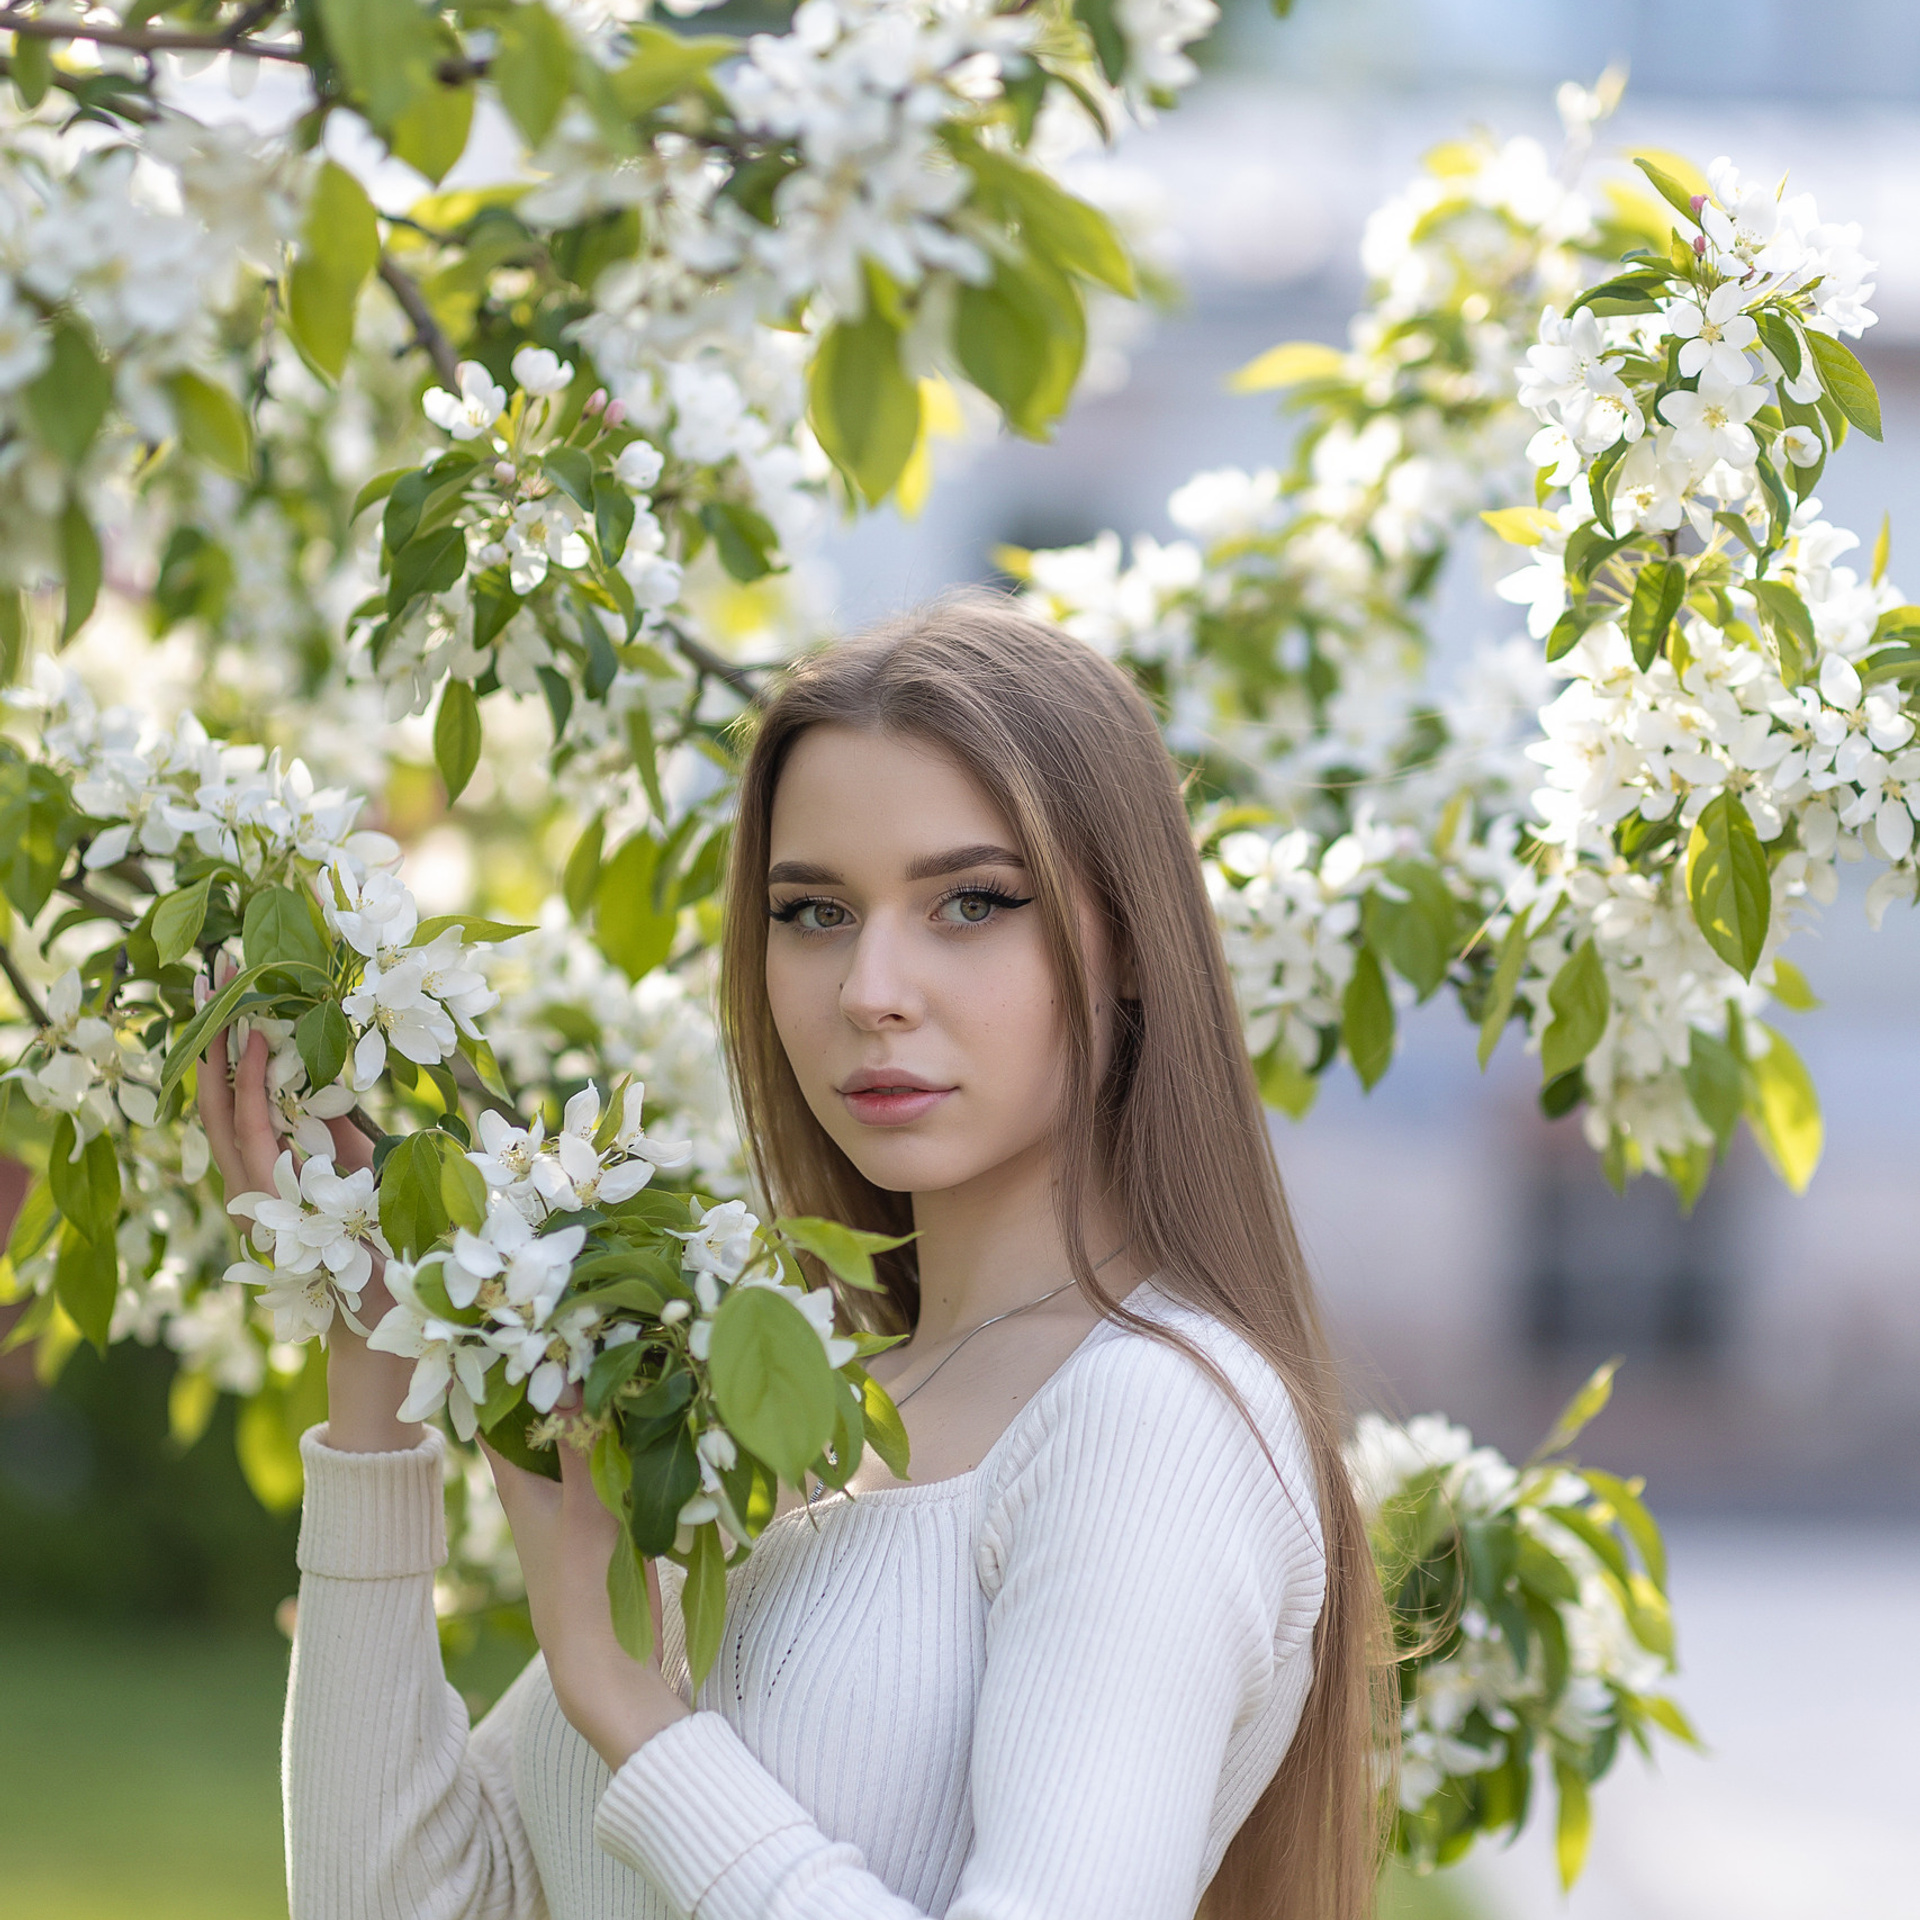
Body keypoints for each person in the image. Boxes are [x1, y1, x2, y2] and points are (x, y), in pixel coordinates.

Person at [199, 597, 1391, 1920]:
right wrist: (373, 1348)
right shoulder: (771, 1406)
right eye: (815, 911)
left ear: (1128, 947)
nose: (870, 988)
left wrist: (632, 1714)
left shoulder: (1151, 1422)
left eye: (972, 902)